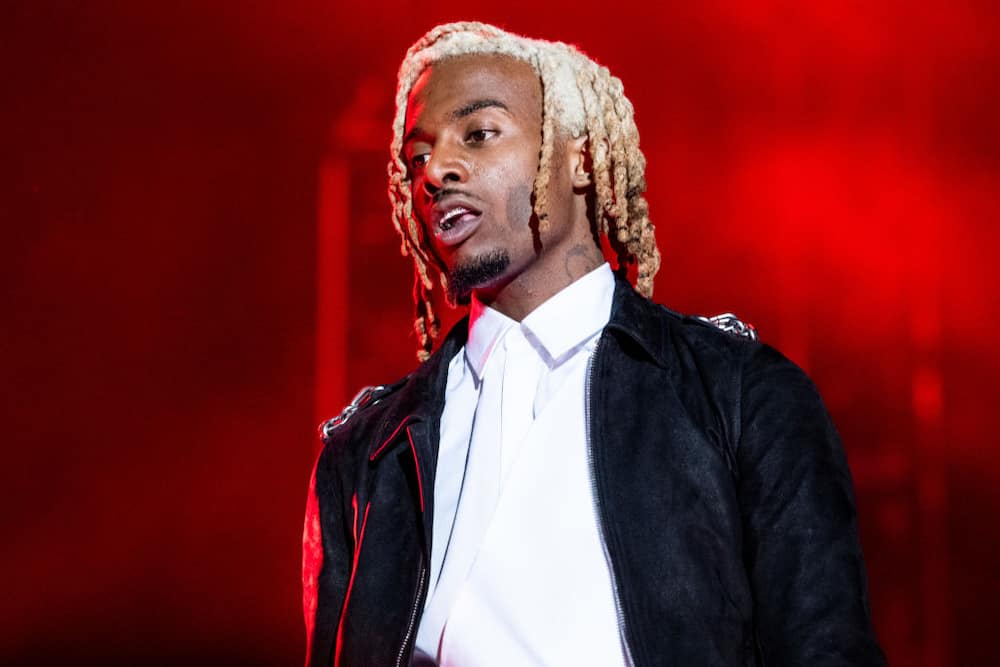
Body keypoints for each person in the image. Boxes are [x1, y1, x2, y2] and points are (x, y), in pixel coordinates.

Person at [302, 21, 886, 667]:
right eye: (417, 158)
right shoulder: (367, 454)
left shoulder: (742, 397)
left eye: (479, 133)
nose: (436, 169)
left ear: (578, 157)